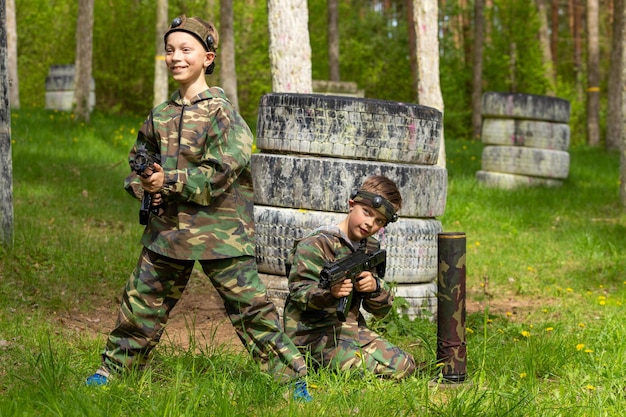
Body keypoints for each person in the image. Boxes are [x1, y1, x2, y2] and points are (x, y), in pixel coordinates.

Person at [86, 15, 311, 402]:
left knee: (251, 309)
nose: (176, 57)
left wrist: (167, 181)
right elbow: (140, 161)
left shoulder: (223, 113)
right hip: (168, 231)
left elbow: (222, 171)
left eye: (186, 50)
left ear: (207, 58)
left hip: (219, 231)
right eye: (170, 50)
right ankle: (113, 369)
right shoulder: (160, 115)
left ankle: (292, 382)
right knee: (142, 301)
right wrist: (142, 183)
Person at [284, 175, 417, 379]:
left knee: (406, 365)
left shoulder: (369, 247)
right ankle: (307, 366)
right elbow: (299, 295)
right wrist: (330, 294)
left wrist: (374, 288)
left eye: (379, 221)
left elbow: (381, 311)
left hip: (349, 331)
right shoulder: (315, 244)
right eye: (366, 212)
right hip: (311, 336)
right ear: (351, 204)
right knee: (389, 370)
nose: (369, 223)